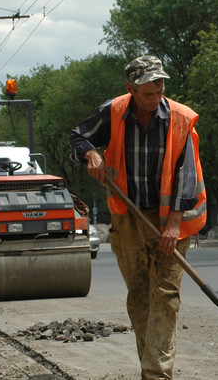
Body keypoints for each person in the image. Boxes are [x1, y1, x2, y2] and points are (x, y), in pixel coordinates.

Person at [69, 54, 206, 380]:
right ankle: (151, 365)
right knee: (140, 295)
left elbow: (187, 176)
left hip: (173, 219)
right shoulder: (113, 112)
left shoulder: (180, 119)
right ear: (130, 89)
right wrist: (91, 154)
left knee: (166, 295)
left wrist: (172, 225)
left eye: (160, 88)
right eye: (148, 92)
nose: (156, 96)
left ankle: (156, 374)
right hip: (128, 218)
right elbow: (77, 136)